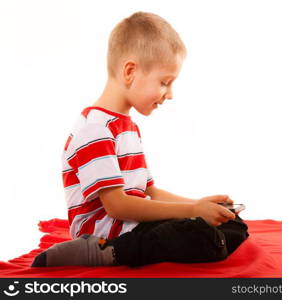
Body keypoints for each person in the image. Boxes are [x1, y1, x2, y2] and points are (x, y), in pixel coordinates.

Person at [31, 11, 249, 268]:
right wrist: (192, 213)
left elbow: (149, 192)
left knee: (234, 227)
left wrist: (201, 205)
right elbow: (117, 206)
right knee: (202, 237)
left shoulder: (128, 127)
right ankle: (103, 252)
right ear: (130, 72)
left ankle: (141, 245)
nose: (169, 94)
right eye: (165, 82)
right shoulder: (95, 130)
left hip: (134, 225)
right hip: (108, 231)